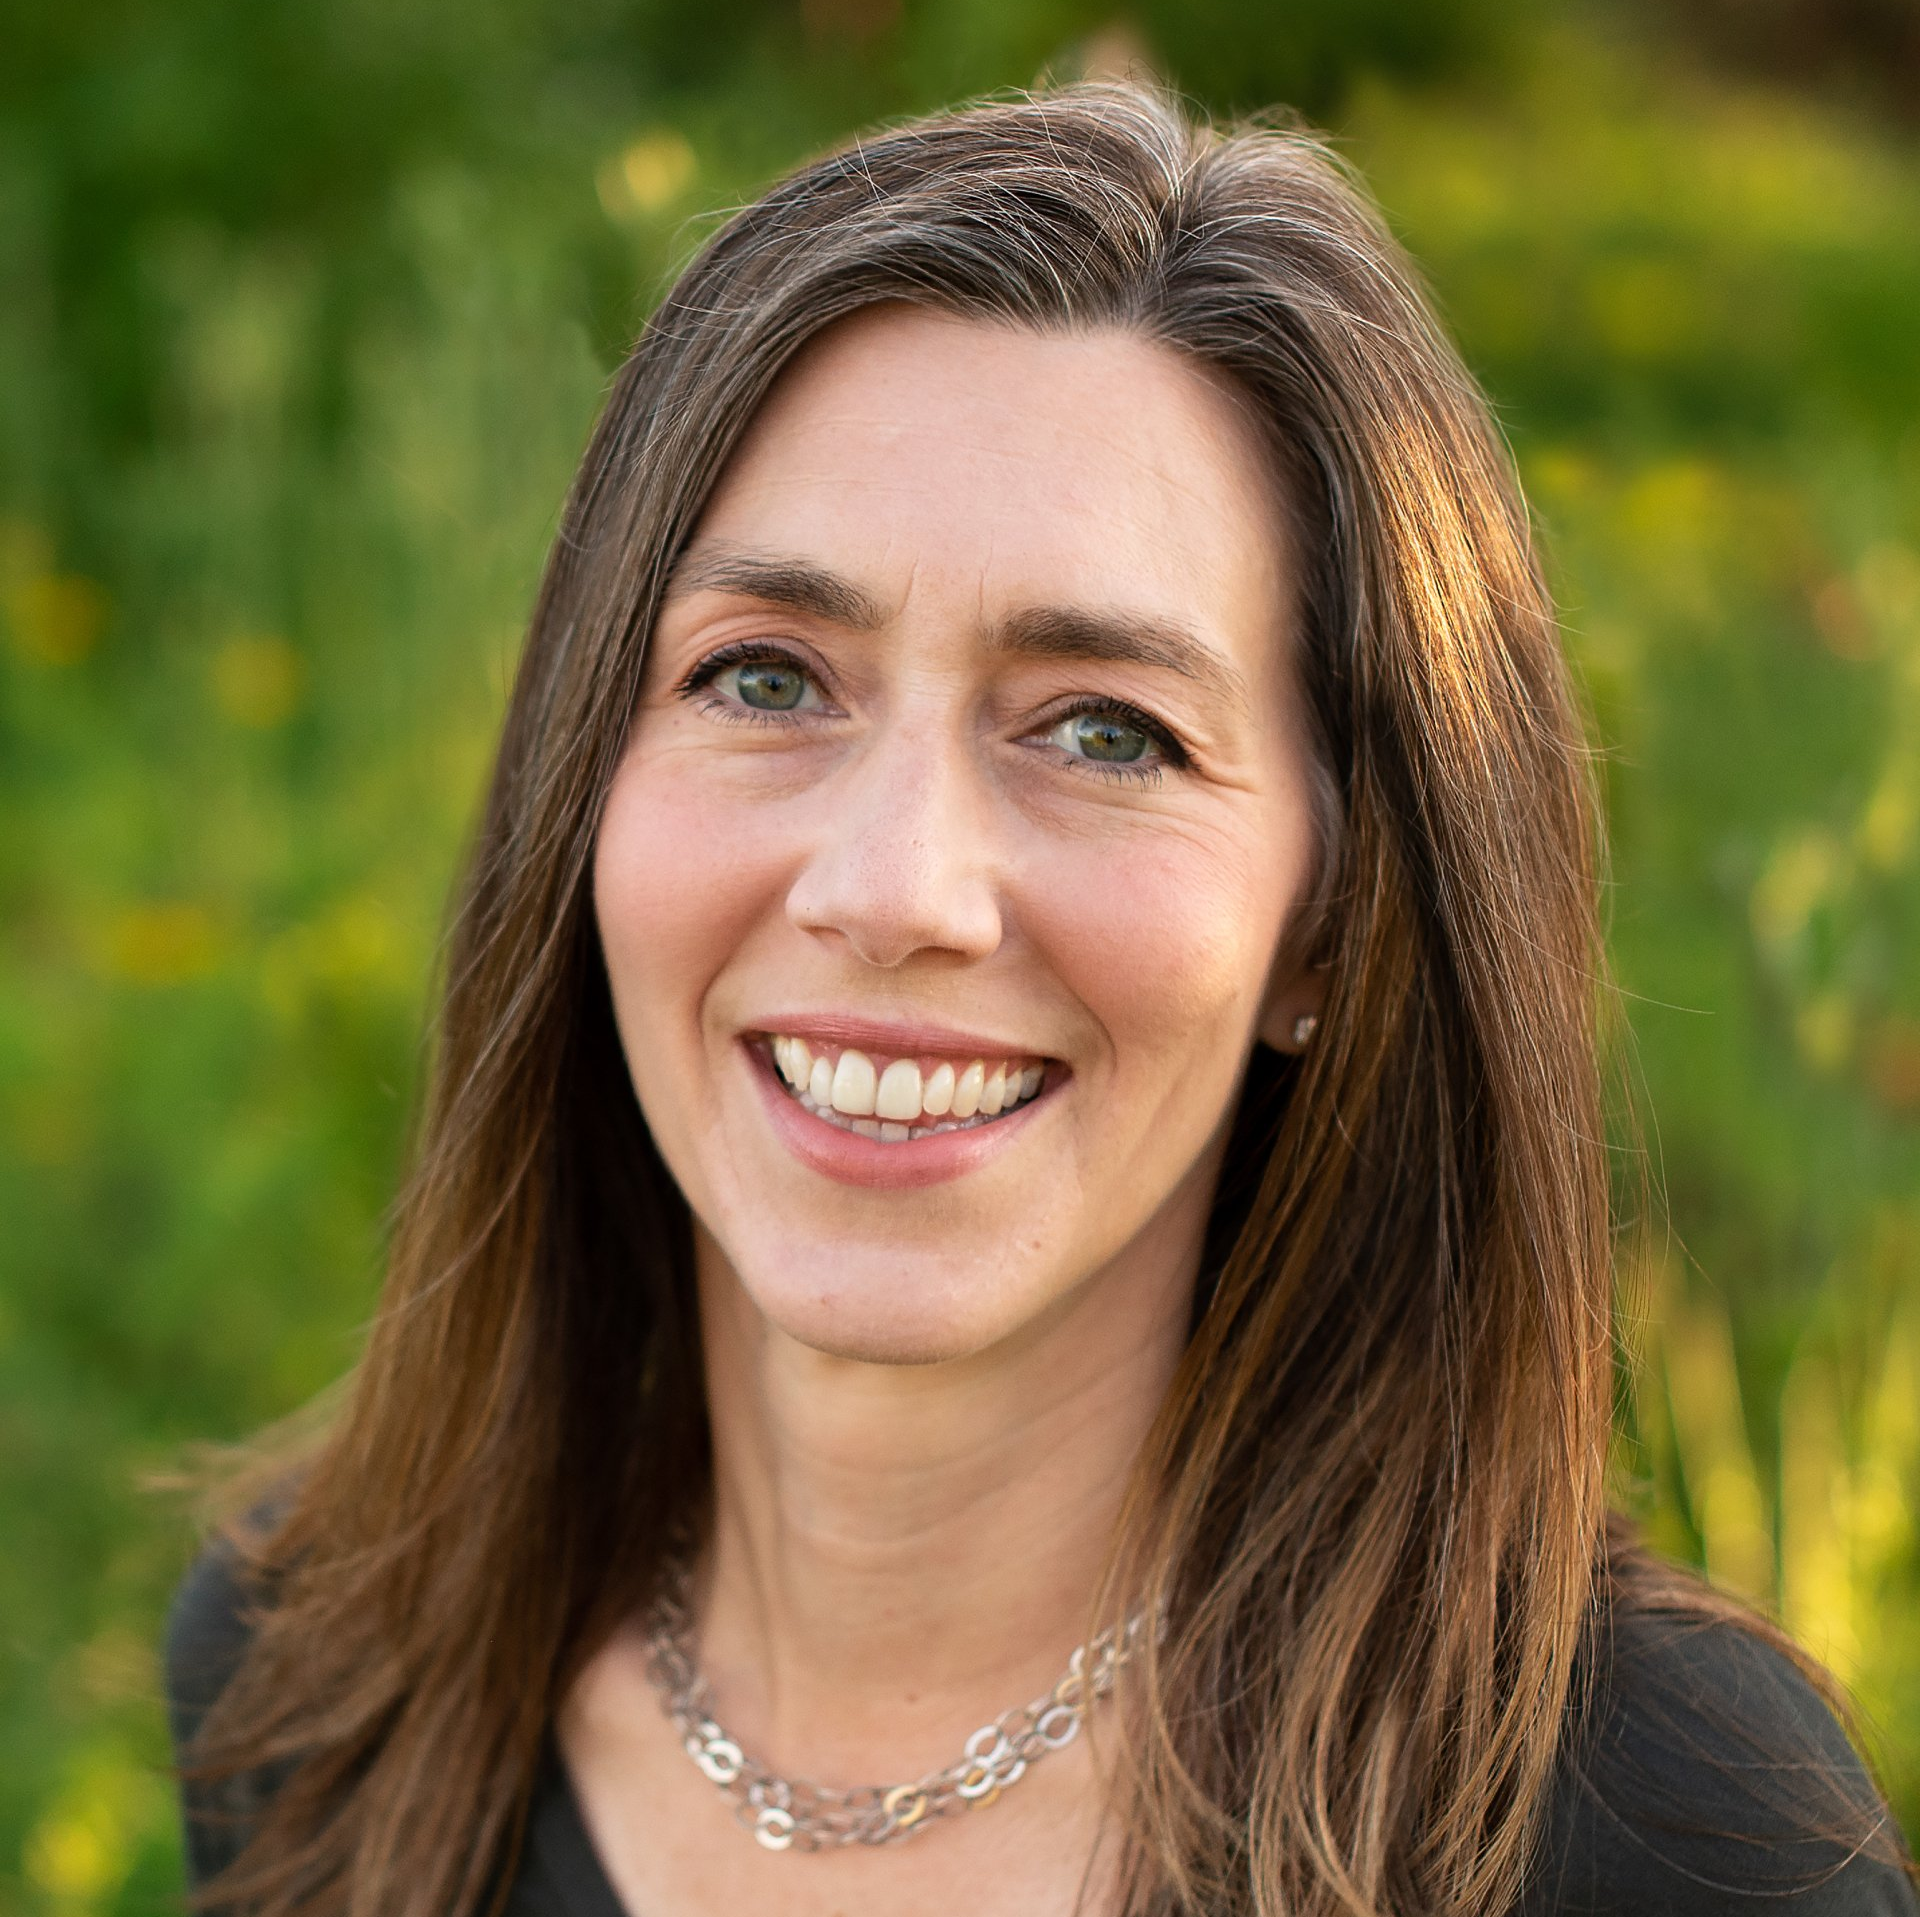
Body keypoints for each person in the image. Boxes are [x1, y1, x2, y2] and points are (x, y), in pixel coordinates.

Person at [164, 81, 1917, 1917]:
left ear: (1331, 927)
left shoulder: (1655, 1836)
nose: (895, 889)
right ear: (585, 780)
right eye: (765, 680)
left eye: (1107, 730)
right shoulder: (319, 1679)